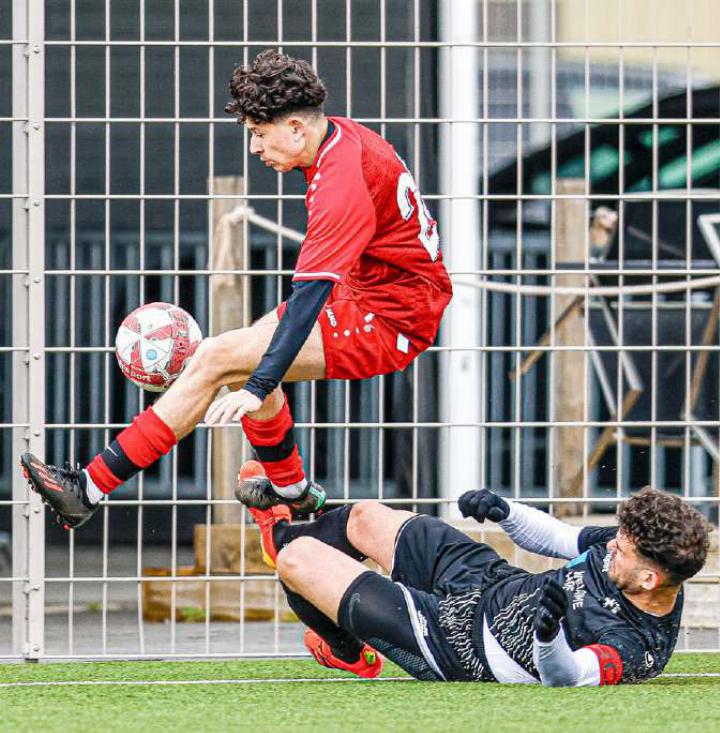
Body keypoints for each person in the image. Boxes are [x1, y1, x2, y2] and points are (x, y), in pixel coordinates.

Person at [20, 49, 452, 528]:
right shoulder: (339, 137)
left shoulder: (341, 181)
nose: (254, 149)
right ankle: (291, 491)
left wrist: (260, 384)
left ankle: (89, 487)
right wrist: (258, 375)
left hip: (388, 320)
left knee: (218, 358)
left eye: (258, 134)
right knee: (245, 354)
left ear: (295, 128)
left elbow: (309, 295)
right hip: (367, 297)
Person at [241, 479, 709, 684]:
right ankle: (279, 532)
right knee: (364, 517)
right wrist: (506, 511)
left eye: (620, 550)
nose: (609, 546)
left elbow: (565, 679)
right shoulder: (632, 550)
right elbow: (563, 538)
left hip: (459, 646)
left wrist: (547, 637)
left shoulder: (636, 646)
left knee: (298, 559)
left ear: (649, 578)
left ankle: (346, 653)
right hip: (490, 582)